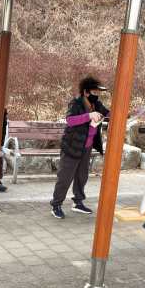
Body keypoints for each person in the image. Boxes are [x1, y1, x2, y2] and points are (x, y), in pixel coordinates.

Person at [50, 76, 110, 219]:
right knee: (65, 177)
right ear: (86, 92)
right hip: (72, 147)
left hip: (86, 147)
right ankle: (56, 205)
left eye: (98, 93)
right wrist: (89, 115)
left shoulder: (97, 104)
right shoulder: (76, 103)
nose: (97, 95)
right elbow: (70, 120)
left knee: (82, 176)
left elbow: (108, 114)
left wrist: (126, 114)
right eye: (94, 92)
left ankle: (78, 202)